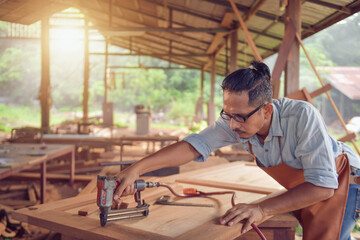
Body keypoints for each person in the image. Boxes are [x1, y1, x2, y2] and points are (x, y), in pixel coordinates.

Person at [114, 61, 360, 240]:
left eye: (240, 117)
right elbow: (194, 145)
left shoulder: (302, 116)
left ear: (266, 111)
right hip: (310, 184)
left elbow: (323, 186)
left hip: (344, 181)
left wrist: (261, 208)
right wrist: (137, 168)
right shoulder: (236, 120)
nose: (233, 125)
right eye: (228, 114)